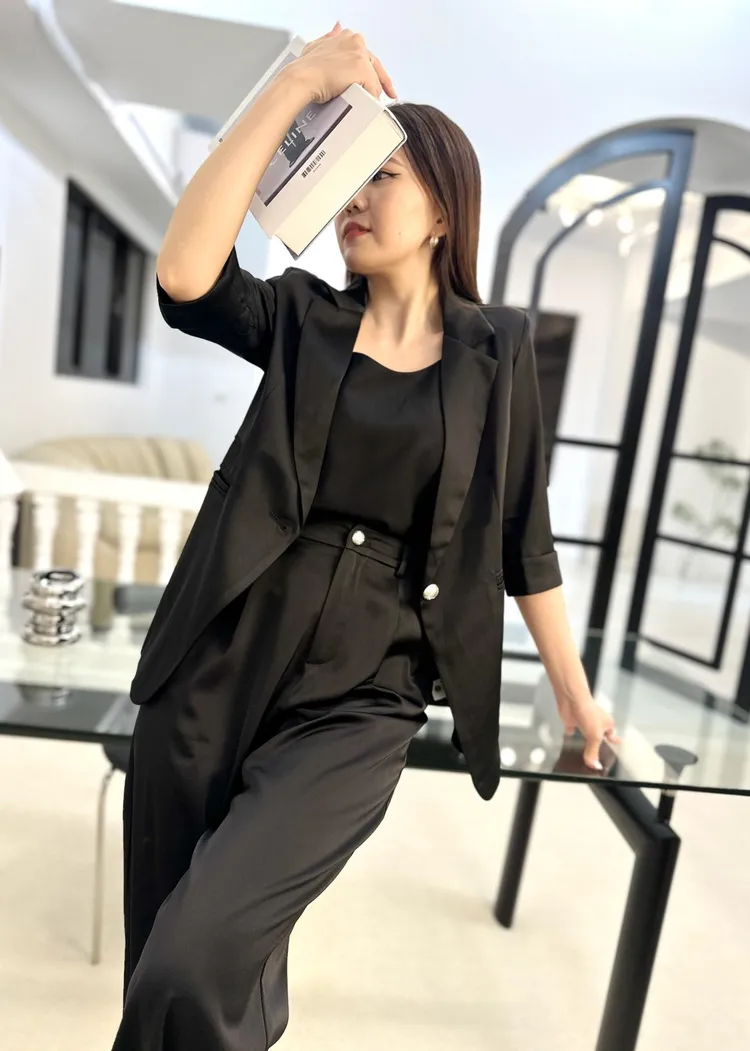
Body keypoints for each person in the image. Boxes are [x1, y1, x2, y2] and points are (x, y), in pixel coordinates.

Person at [110, 22, 619, 1051]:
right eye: (348, 181)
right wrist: (297, 81)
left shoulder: (499, 350)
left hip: (364, 691)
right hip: (219, 653)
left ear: (443, 210)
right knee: (167, 969)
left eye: (382, 176)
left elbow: (522, 532)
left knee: (194, 956)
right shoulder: (302, 318)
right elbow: (186, 275)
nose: (356, 199)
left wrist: (572, 690)